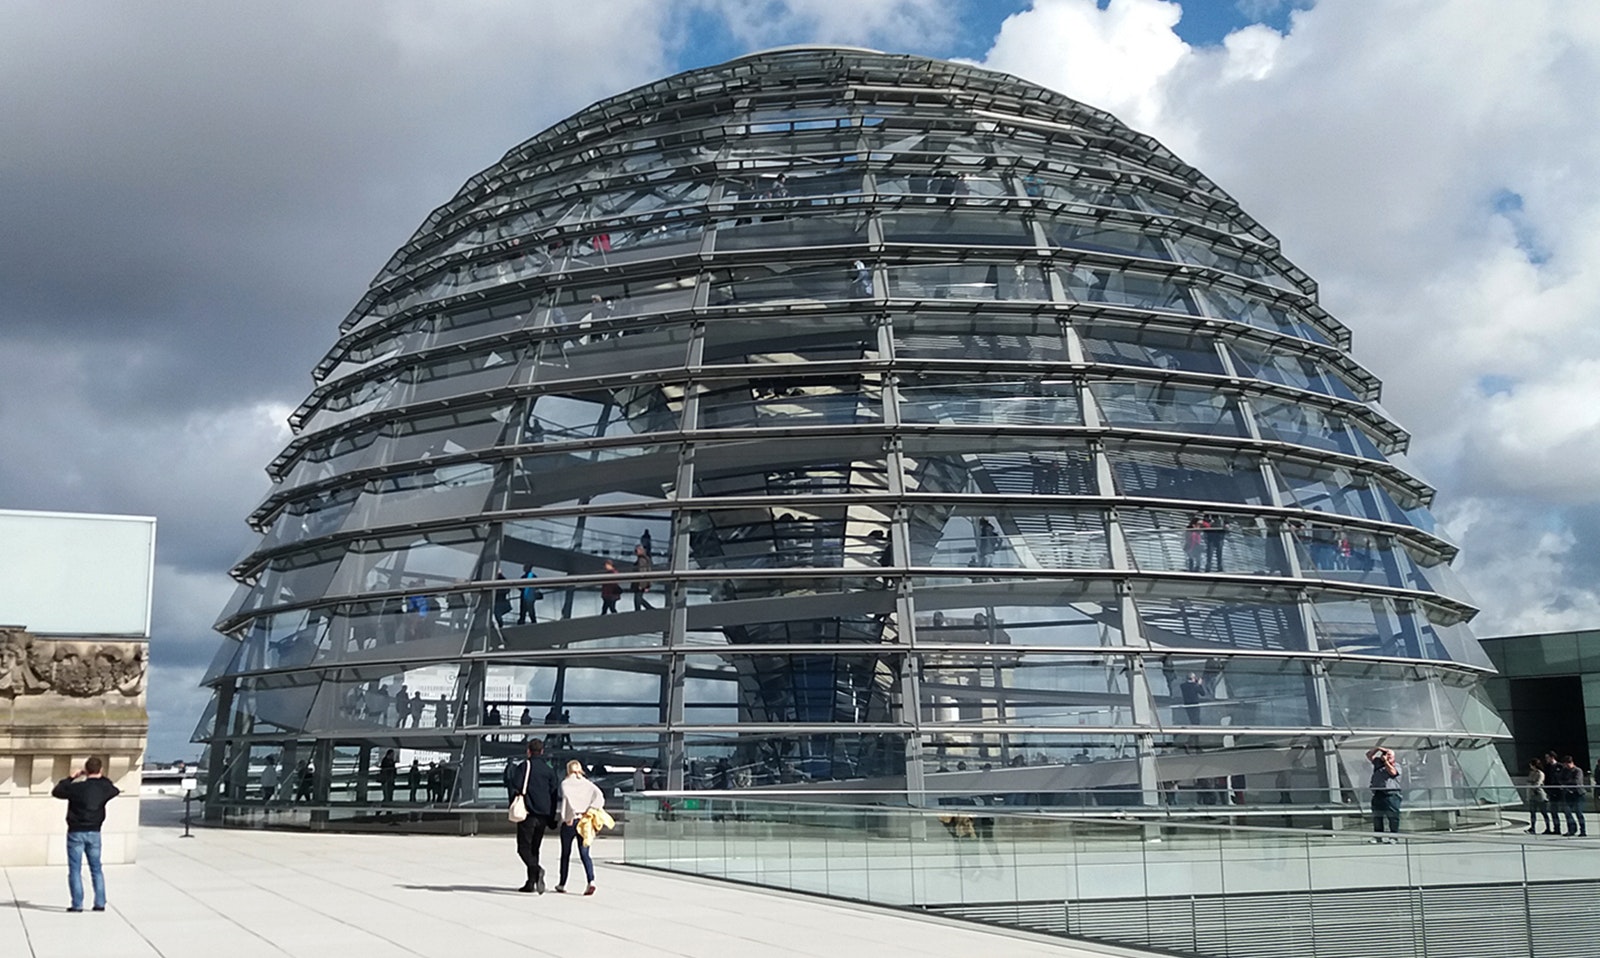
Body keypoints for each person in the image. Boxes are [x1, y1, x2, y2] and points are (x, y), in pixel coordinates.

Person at [52, 756, 120, 912]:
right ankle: (100, 902)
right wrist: (101, 777)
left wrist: (72, 777)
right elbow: (114, 789)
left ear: (86, 770)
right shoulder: (103, 788)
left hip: (76, 831)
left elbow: (57, 791)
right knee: (96, 868)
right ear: (100, 770)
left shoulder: (76, 788)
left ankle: (77, 904)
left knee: (75, 869)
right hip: (94, 831)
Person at [505, 739, 561, 893]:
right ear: (542, 751)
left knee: (523, 848)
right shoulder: (549, 770)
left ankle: (536, 871)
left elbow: (515, 786)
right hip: (543, 814)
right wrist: (551, 817)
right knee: (535, 848)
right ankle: (531, 882)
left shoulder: (524, 767)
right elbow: (554, 794)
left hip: (528, 813)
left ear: (528, 751)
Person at [556, 760, 607, 895]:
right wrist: (591, 809)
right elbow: (599, 796)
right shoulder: (588, 784)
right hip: (585, 820)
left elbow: (567, 800)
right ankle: (591, 880)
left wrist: (568, 816)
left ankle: (562, 883)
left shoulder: (565, 783)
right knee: (585, 853)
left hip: (571, 821)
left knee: (565, 854)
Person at [1367, 746, 1402, 840]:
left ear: (1394, 757)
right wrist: (1378, 749)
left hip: (1391, 794)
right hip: (1378, 793)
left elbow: (1392, 773)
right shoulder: (1378, 763)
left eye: (1390, 755)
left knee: (1393, 817)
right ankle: (1378, 836)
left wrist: (1386, 762)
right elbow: (1369, 755)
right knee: (1377, 816)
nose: (1387, 756)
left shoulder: (1396, 765)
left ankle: (1394, 837)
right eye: (1386, 754)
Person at [1553, 755, 1587, 836]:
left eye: (1566, 764)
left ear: (1570, 763)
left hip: (1578, 794)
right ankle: (1571, 829)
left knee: (1579, 812)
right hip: (1568, 793)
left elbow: (1576, 782)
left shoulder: (1578, 770)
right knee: (1567, 812)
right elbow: (1559, 779)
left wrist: (1566, 782)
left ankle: (1583, 830)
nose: (1565, 766)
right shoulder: (1564, 770)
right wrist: (1566, 783)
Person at [1526, 759, 1551, 835]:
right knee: (1532, 813)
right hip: (1532, 795)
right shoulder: (1531, 773)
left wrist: (1532, 785)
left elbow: (1538, 783)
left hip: (1539, 795)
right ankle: (1532, 828)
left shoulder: (1540, 773)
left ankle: (1548, 827)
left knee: (1544, 812)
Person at [631, 544, 654, 611]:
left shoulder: (642, 560)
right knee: (638, 598)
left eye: (636, 550)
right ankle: (649, 608)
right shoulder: (645, 559)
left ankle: (646, 609)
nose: (635, 552)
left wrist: (641, 584)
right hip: (642, 583)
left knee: (638, 599)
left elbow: (642, 572)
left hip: (640, 583)